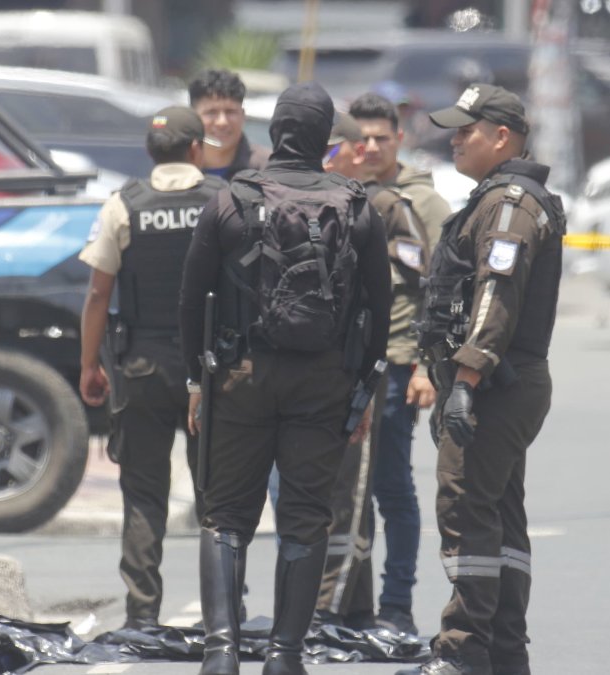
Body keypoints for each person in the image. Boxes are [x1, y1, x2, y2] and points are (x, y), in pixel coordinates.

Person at [180, 81, 392, 675]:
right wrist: (364, 390)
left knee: (226, 516)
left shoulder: (229, 200)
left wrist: (196, 384)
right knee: (304, 517)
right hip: (324, 384)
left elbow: (191, 300)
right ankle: (285, 655)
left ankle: (221, 654)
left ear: (275, 132)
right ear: (327, 138)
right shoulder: (356, 206)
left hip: (240, 379)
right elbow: (381, 305)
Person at [402, 84, 565, 675]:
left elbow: (495, 297)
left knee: (468, 506)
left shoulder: (508, 204)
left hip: (493, 382)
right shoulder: (496, 198)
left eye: (466, 130)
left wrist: (466, 380)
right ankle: (503, 649)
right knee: (500, 514)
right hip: (501, 381)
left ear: (502, 137)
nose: (454, 138)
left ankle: (464, 651)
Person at [78, 106, 226, 632]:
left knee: (144, 492)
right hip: (210, 372)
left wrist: (89, 366)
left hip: (141, 365)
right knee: (217, 497)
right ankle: (221, 620)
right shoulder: (221, 202)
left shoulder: (124, 205)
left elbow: (99, 295)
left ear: (150, 153)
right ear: (196, 151)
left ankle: (142, 618)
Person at [348, 92, 450, 636]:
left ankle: (396, 603)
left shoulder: (423, 203)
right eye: (360, 138)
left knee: (391, 487)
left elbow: (445, 287)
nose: (368, 148)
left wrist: (425, 366)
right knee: (350, 492)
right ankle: (353, 604)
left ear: (398, 140)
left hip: (395, 364)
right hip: (345, 367)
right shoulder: (342, 191)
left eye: (380, 139)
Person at [313, 111, 379, 630]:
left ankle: (333, 608)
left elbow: (390, 305)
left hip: (356, 371)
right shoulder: (328, 206)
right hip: (320, 372)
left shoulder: (372, 209)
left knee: (352, 496)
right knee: (333, 494)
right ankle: (348, 605)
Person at [189, 68, 271, 181]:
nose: (222, 122)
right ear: (193, 116)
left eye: (230, 112)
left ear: (243, 115)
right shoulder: (174, 167)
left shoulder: (269, 169)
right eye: (211, 112)